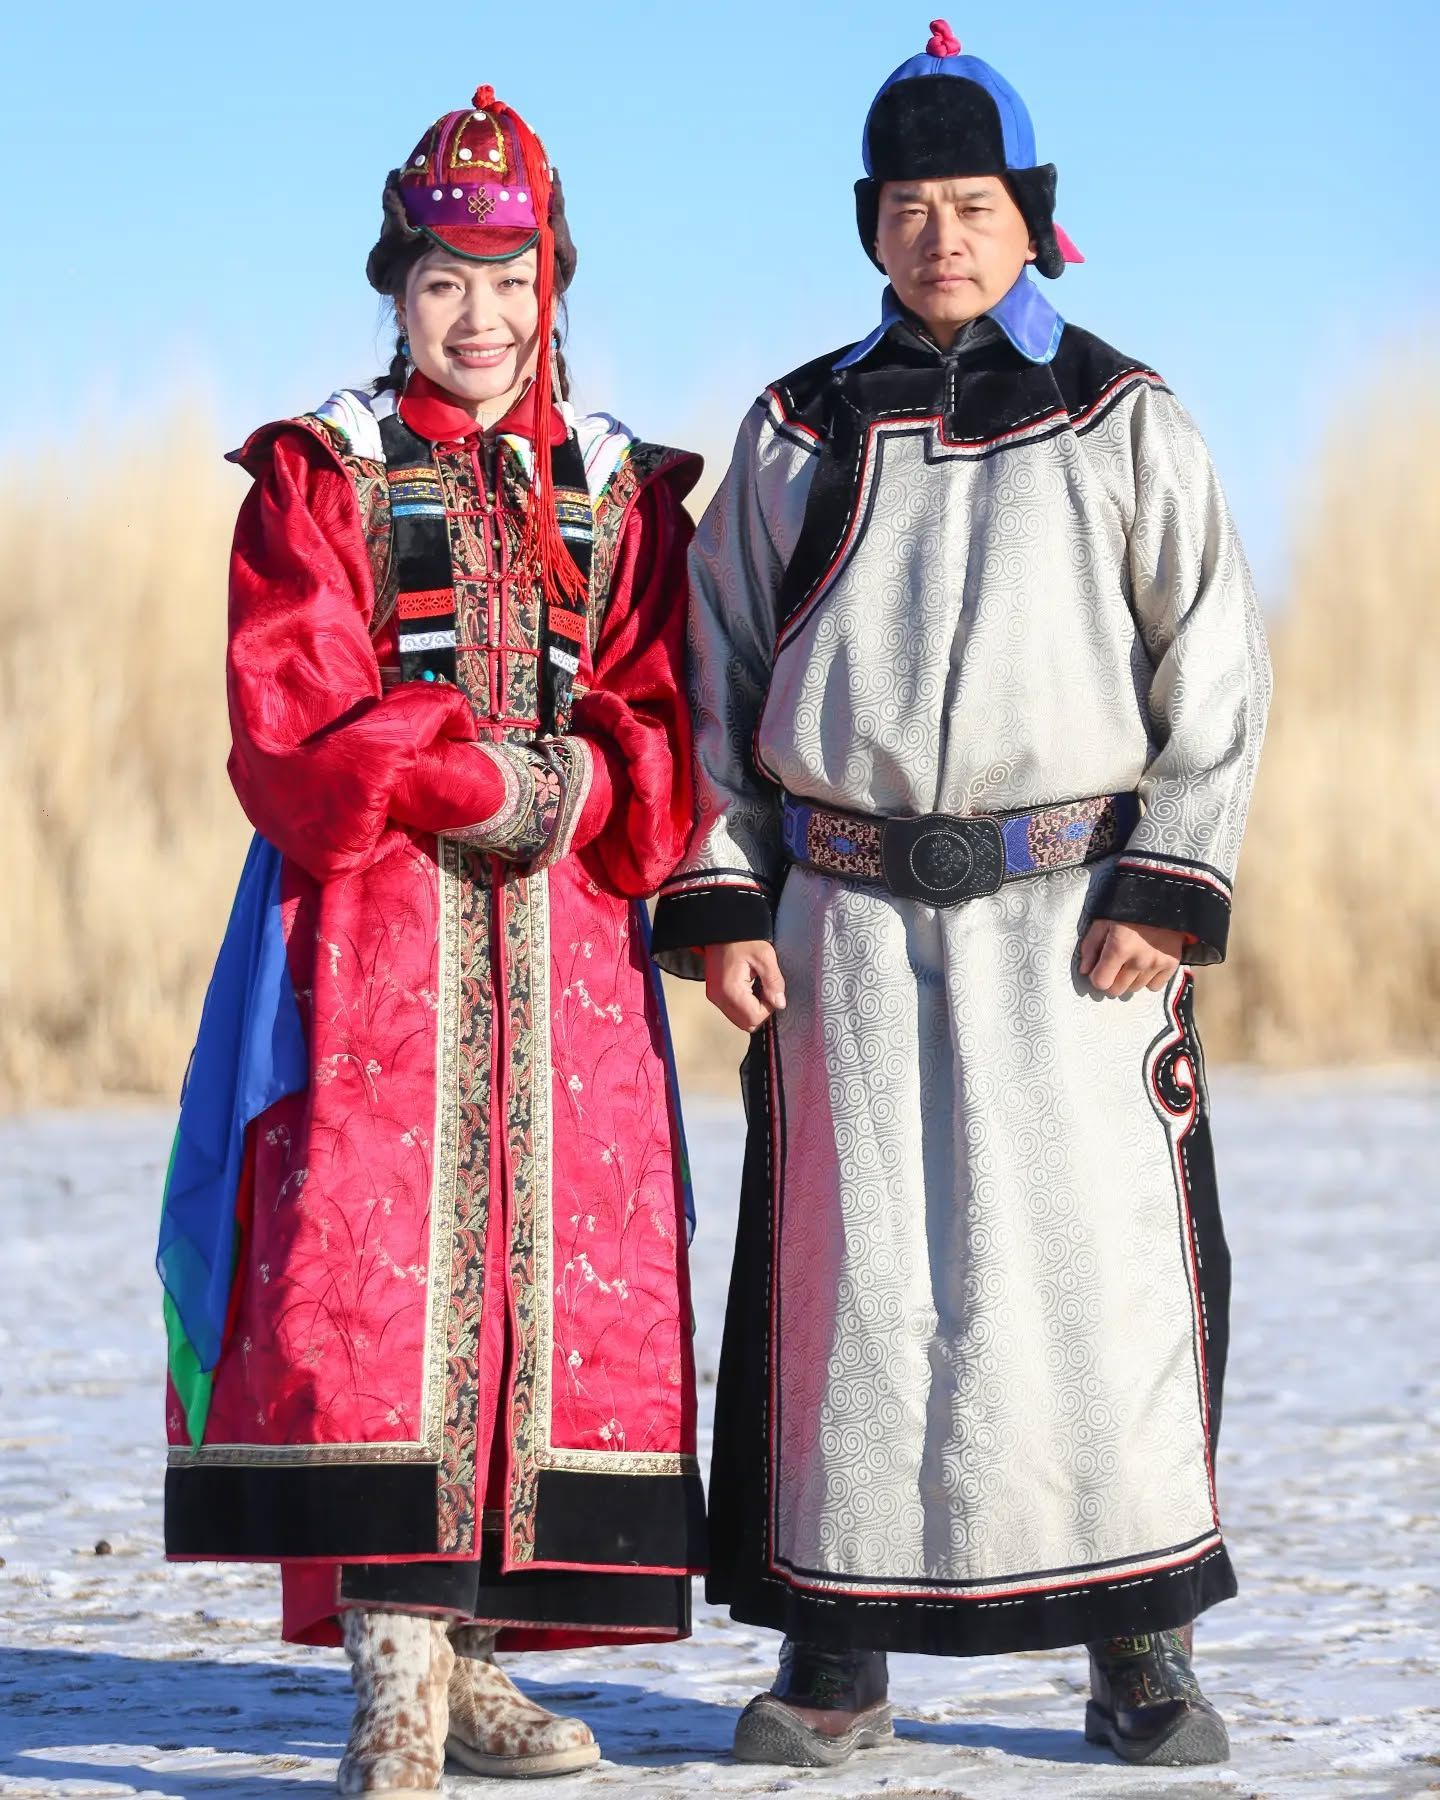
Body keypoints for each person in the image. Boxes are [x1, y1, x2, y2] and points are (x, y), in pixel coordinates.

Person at [651, 18, 1271, 1773]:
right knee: (854, 1297)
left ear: (1032, 217)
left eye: (975, 200)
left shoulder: (1123, 414)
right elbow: (714, 682)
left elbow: (1212, 676)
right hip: (841, 923)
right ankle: (836, 1654)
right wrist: (721, 890)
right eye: (911, 203)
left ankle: (1139, 1644)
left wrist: (1173, 875)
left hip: (1075, 924)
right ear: (872, 224)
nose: (943, 233)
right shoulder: (795, 429)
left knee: (1096, 1291)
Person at [158, 81, 705, 1796]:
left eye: (512, 279)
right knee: (375, 1283)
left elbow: (660, 710)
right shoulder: (317, 478)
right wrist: (470, 774)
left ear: (555, 284)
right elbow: (294, 720)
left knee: (547, 1291)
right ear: (396, 287)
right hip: (371, 935)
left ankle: (471, 1663)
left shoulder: (619, 490)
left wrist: (590, 779)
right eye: (444, 281)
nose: (480, 317)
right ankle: (391, 1689)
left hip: (570, 960)